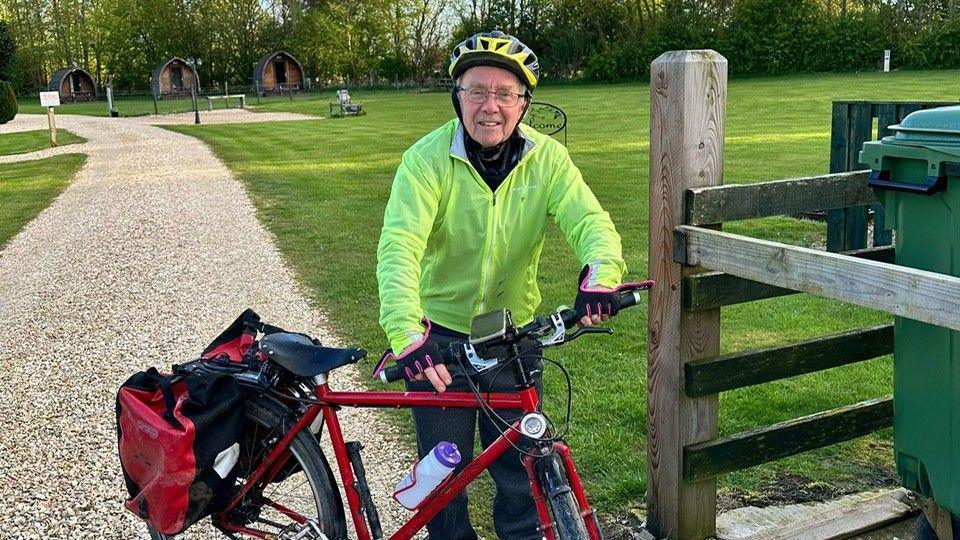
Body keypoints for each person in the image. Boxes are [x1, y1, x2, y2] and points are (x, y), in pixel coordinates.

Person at [374, 30, 641, 540]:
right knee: (441, 483)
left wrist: (601, 274)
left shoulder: (548, 159)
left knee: (523, 482)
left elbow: (592, 223)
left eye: (504, 93)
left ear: (524, 104)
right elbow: (399, 247)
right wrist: (408, 334)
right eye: (476, 91)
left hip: (512, 340)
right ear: (457, 98)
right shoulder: (425, 160)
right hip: (440, 344)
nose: (489, 106)